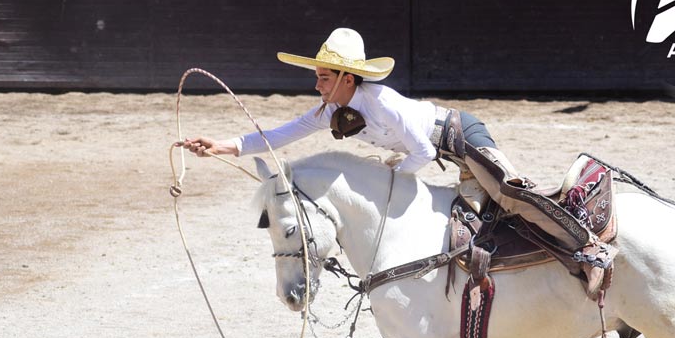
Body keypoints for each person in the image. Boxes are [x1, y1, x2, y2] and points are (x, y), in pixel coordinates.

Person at [178, 27, 616, 295]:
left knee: (510, 194)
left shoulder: (382, 102)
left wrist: (391, 174)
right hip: (438, 151)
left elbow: (424, 152)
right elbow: (278, 136)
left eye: (323, 77)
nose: (316, 84)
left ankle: (589, 250)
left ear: (347, 79)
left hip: (462, 137)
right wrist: (222, 145)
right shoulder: (330, 110)